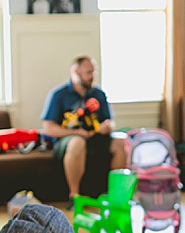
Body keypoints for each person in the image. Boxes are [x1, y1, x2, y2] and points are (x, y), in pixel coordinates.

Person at [41, 55, 128, 197]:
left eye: (94, 72)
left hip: (95, 138)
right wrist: (78, 133)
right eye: (88, 72)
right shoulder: (58, 95)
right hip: (68, 141)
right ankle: (74, 196)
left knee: (121, 142)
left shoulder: (98, 94)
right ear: (75, 72)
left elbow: (110, 121)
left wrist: (106, 127)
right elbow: (49, 128)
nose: (92, 76)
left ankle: (115, 196)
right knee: (77, 142)